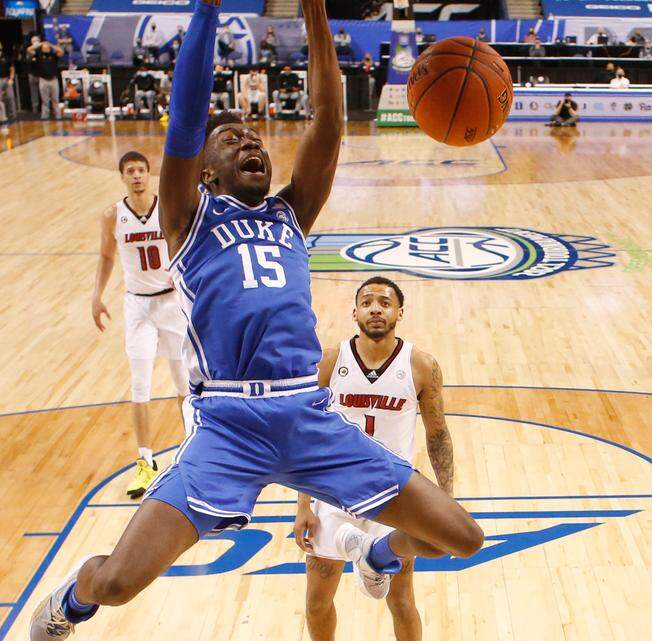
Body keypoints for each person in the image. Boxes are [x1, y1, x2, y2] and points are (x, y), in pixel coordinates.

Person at [27, 1, 483, 638]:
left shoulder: (291, 215)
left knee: (461, 537)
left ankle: (376, 557)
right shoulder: (187, 220)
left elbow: (329, 118)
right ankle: (74, 596)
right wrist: (206, 12)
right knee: (120, 584)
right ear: (205, 171)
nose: (252, 143)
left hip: (308, 416)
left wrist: (315, 11)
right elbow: (185, 122)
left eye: (258, 140)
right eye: (233, 139)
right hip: (229, 426)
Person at [295, 276, 453, 641]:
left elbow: (438, 434)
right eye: (367, 302)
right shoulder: (330, 361)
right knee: (317, 601)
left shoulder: (421, 366)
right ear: (354, 312)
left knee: (401, 600)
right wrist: (303, 503)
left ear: (400, 311)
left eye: (384, 302)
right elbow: (305, 434)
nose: (375, 308)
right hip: (335, 492)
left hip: (394, 495)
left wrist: (445, 495)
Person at [92, 150, 191, 499]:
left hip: (170, 301)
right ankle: (145, 459)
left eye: (141, 170)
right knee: (140, 386)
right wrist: (96, 295)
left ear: (149, 175)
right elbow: (106, 256)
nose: (136, 176)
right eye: (130, 171)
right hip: (137, 306)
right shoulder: (112, 215)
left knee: (185, 383)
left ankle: (191, 454)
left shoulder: (167, 206)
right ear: (122, 176)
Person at [30, 40, 63, 120]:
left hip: (53, 80)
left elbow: (61, 51)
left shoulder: (53, 55)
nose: (45, 47)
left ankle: (58, 115)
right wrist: (40, 44)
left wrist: (51, 45)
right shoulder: (39, 55)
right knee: (45, 100)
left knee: (55, 99)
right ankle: (45, 116)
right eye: (44, 47)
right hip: (43, 80)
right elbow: (29, 49)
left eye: (47, 47)